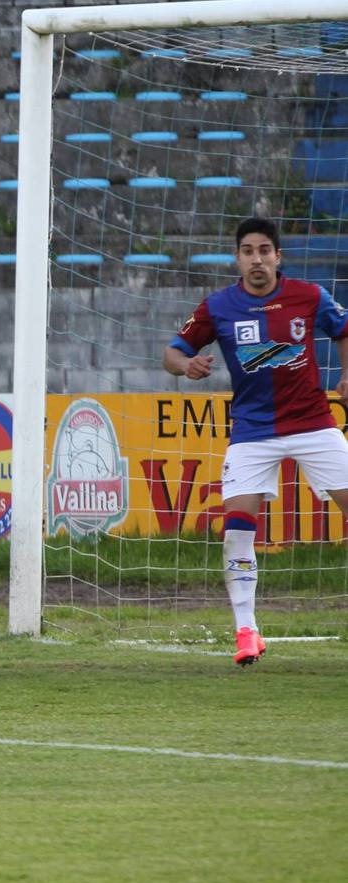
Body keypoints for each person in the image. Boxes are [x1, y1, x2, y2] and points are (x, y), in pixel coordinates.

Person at [163, 215, 348, 665]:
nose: (257, 259)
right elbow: (172, 352)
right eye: (248, 251)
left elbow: (344, 329)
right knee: (237, 528)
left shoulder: (308, 296)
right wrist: (185, 367)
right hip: (252, 432)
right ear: (238, 258)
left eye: (265, 250)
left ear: (277, 256)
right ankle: (246, 631)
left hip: (314, 425)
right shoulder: (218, 306)